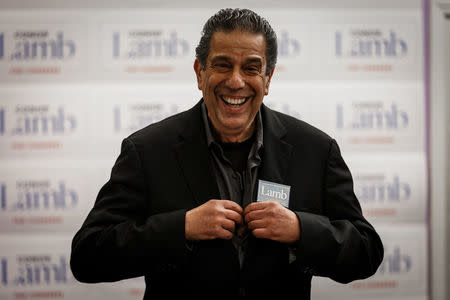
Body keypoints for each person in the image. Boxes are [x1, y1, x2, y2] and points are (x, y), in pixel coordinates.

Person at [70, 8, 384, 298]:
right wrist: (182, 227)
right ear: (199, 73)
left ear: (268, 79)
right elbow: (88, 256)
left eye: (251, 68)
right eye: (222, 65)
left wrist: (300, 230)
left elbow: (366, 251)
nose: (236, 81)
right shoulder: (147, 150)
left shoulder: (315, 150)